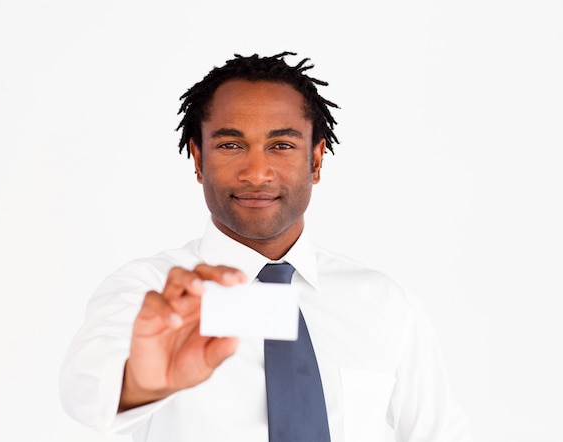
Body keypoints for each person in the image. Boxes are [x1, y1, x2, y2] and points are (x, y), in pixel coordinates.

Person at [59, 51, 473, 441]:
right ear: (198, 160)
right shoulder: (152, 292)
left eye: (281, 145)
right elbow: (87, 391)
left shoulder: (384, 303)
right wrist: (140, 383)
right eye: (230, 145)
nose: (256, 173)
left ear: (316, 160)